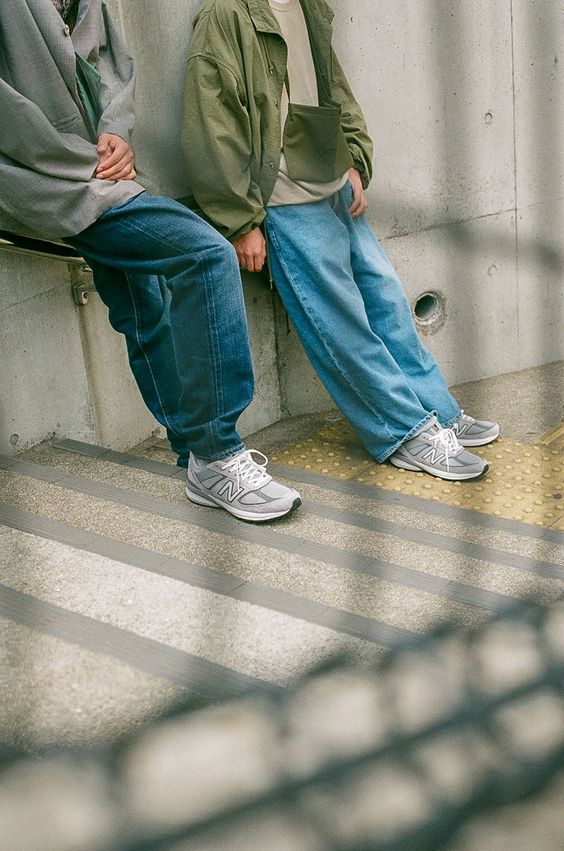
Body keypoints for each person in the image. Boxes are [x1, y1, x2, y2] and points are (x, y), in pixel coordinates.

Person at [0, 0, 301, 522]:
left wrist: (117, 131)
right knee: (205, 254)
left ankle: (195, 455)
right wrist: (83, 160)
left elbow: (113, 61)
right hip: (45, 175)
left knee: (142, 303)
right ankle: (215, 452)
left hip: (102, 171)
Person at [182, 0, 500, 481]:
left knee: (387, 301)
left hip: (330, 182)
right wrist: (241, 220)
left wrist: (352, 158)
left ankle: (437, 410)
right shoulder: (226, 14)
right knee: (342, 323)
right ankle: (405, 431)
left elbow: (333, 89)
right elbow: (211, 124)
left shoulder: (307, 4)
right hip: (283, 200)